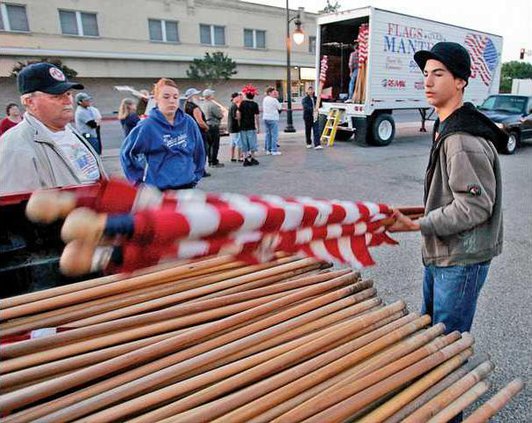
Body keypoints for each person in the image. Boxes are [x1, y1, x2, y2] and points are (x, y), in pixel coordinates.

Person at [389, 42, 506, 337]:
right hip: (445, 251)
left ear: (460, 81)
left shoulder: (462, 138)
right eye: (426, 74)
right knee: (432, 331)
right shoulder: (447, 126)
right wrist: (417, 214)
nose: (427, 82)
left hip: (461, 258)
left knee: (446, 340)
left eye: (438, 74)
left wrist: (422, 223)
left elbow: (475, 206)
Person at [0, 62, 105, 195]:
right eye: (56, 96)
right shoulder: (14, 147)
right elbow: (16, 207)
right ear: (29, 102)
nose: (68, 101)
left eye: (68, 94)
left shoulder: (68, 130)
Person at [120, 78, 205, 190]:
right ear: (156, 99)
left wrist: (196, 175)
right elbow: (127, 153)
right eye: (166, 97)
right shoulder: (147, 126)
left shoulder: (188, 122)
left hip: (187, 187)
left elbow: (199, 151)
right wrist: (137, 182)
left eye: (175, 97)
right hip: (159, 191)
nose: (171, 101)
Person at [184, 87, 211, 177]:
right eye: (196, 95)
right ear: (192, 97)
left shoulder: (185, 106)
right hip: (199, 132)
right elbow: (200, 121)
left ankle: (192, 169)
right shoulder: (195, 108)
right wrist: (206, 127)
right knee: (202, 151)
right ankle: (200, 170)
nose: (198, 97)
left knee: (193, 152)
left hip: (189, 132)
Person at [239, 84, 260, 167]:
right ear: (253, 95)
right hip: (251, 126)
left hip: (243, 126)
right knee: (252, 142)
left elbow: (239, 114)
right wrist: (258, 127)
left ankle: (245, 158)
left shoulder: (242, 103)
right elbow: (256, 116)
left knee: (244, 143)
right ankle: (253, 158)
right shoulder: (255, 105)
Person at [202, 89, 224, 167]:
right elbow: (220, 115)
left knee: (209, 144)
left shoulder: (202, 104)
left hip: (206, 125)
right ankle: (214, 161)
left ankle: (210, 160)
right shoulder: (212, 105)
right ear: (210, 96)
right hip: (213, 126)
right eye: (212, 94)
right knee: (214, 145)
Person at [262, 87, 282, 155]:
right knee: (274, 135)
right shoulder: (274, 100)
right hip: (273, 118)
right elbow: (279, 107)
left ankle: (268, 149)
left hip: (266, 118)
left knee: (268, 134)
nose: (275, 93)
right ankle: (274, 150)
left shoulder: (265, 99)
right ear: (269, 93)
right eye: (273, 92)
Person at [228, 92, 242, 162]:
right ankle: (239, 157)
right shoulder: (235, 106)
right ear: (235, 97)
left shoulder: (231, 105)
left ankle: (232, 157)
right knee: (239, 143)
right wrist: (240, 117)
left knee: (232, 143)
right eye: (239, 97)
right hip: (235, 127)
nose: (240, 98)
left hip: (231, 127)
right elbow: (236, 117)